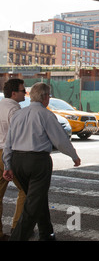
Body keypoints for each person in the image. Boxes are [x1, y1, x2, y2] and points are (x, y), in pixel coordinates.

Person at [2, 82, 81, 241]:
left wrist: (8, 164)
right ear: (44, 97)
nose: (49, 98)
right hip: (38, 162)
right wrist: (74, 156)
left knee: (38, 199)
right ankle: (17, 238)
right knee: (32, 204)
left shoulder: (19, 114)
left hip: (18, 161)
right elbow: (60, 140)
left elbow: (8, 141)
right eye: (49, 95)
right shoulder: (46, 114)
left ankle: (47, 234)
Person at [0, 79, 26, 241]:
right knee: (25, 190)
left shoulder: (1, 104)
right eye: (23, 91)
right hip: (9, 154)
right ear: (14, 93)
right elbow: (19, 135)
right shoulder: (14, 110)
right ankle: (18, 227)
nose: (25, 93)